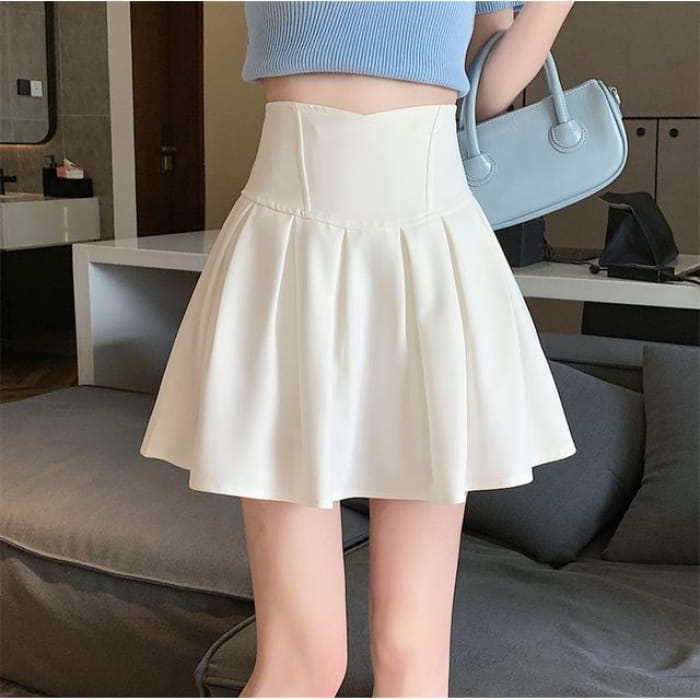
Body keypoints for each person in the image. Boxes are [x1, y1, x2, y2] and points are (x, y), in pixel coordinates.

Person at [140, 1, 577, 696]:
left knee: (411, 654)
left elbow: (487, 87)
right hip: (292, 244)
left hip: (428, 242)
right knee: (304, 662)